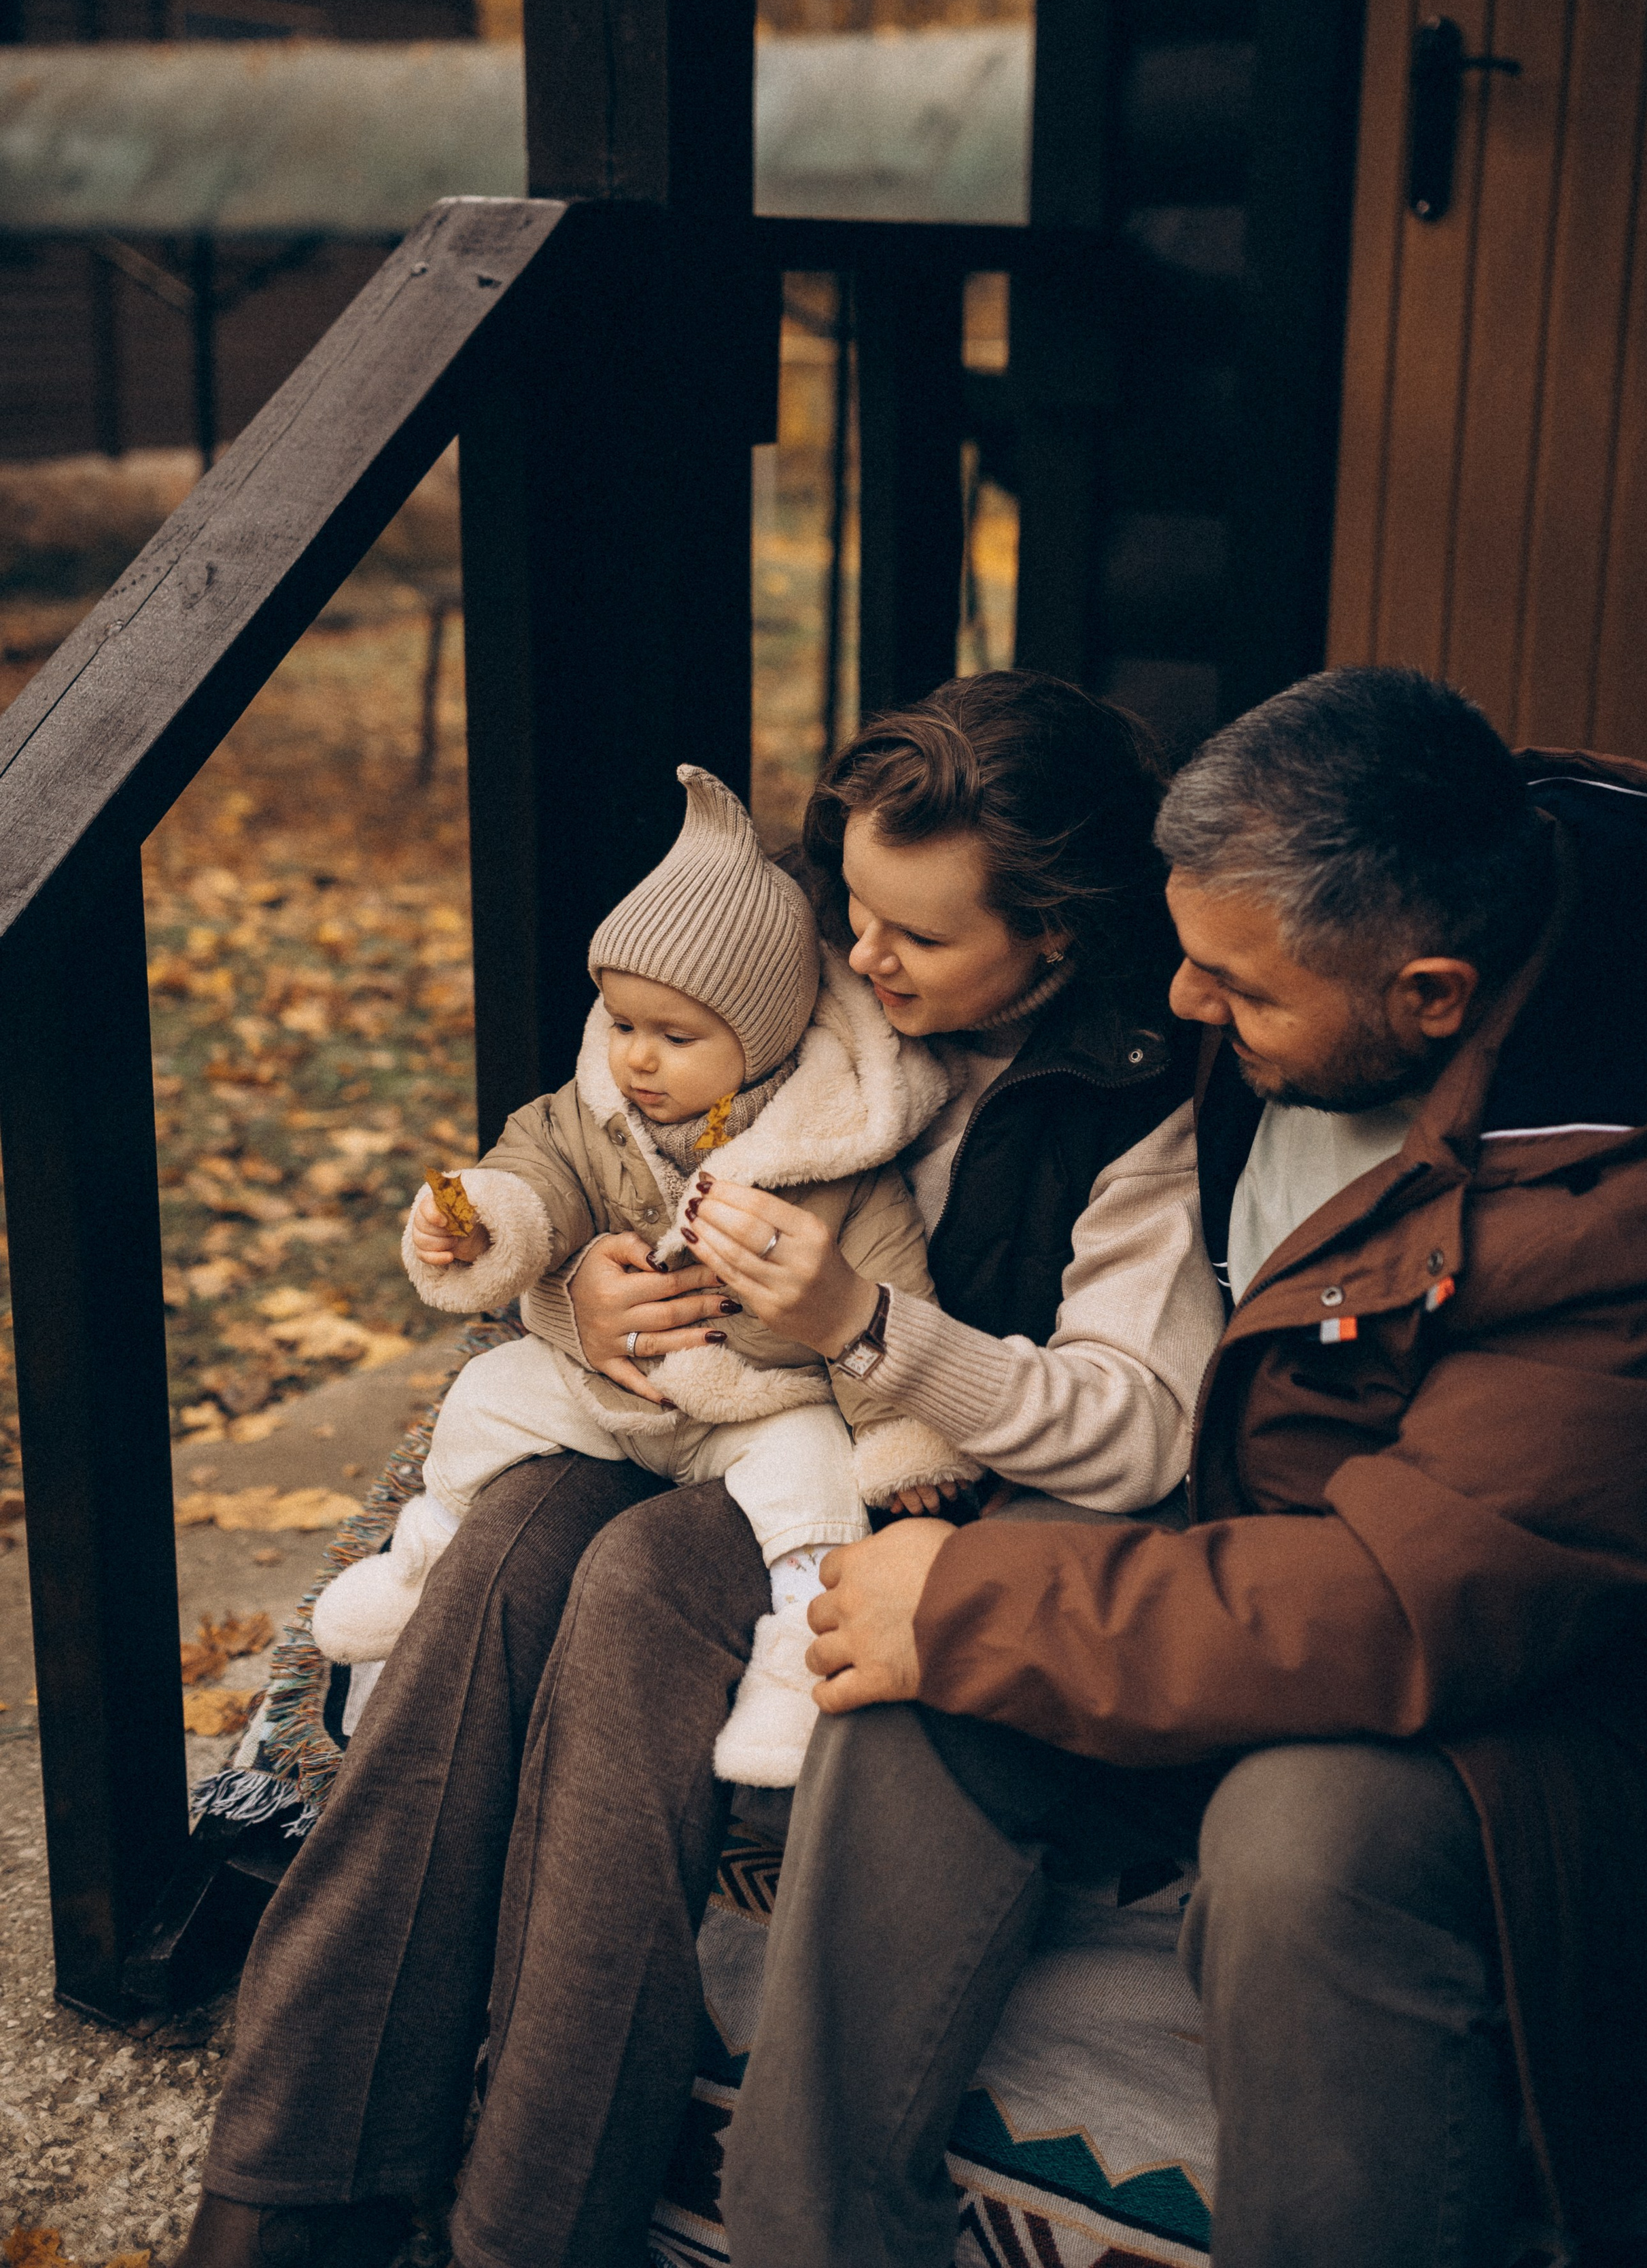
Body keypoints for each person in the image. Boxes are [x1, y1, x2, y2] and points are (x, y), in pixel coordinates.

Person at [178, 669, 1223, 2268]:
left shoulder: (1128, 1103)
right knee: (511, 1530)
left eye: (914, 937)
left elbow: (1139, 1423)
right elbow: (596, 1141)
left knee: (634, 1580)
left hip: (896, 1486)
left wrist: (868, 1328)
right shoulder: (799, 980)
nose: (858, 959)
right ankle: (289, 2184)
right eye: (849, 905)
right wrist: (569, 1291)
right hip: (684, 1410)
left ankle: (530, 2223)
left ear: (1057, 940)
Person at [716, 668, 1647, 2268]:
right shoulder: (1341, 918)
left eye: (1234, 991)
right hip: (1258, 1554)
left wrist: (984, 1598)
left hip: (1556, 1724)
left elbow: (1406, 1599)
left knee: (1291, 1827)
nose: (1181, 1012)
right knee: (898, 1667)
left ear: (1430, 998)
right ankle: (809, 2239)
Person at [311, 763, 969, 1785]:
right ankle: (425, 1554)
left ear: (762, 1039)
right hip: (610, 1385)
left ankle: (794, 1663)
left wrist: (896, 1436)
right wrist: (483, 1230)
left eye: (676, 1037)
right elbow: (531, 1177)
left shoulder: (832, 1152)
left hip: (753, 1400)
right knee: (485, 1395)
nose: (638, 1061)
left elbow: (887, 1286)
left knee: (816, 1486)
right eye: (621, 1024)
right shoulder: (593, 1114)